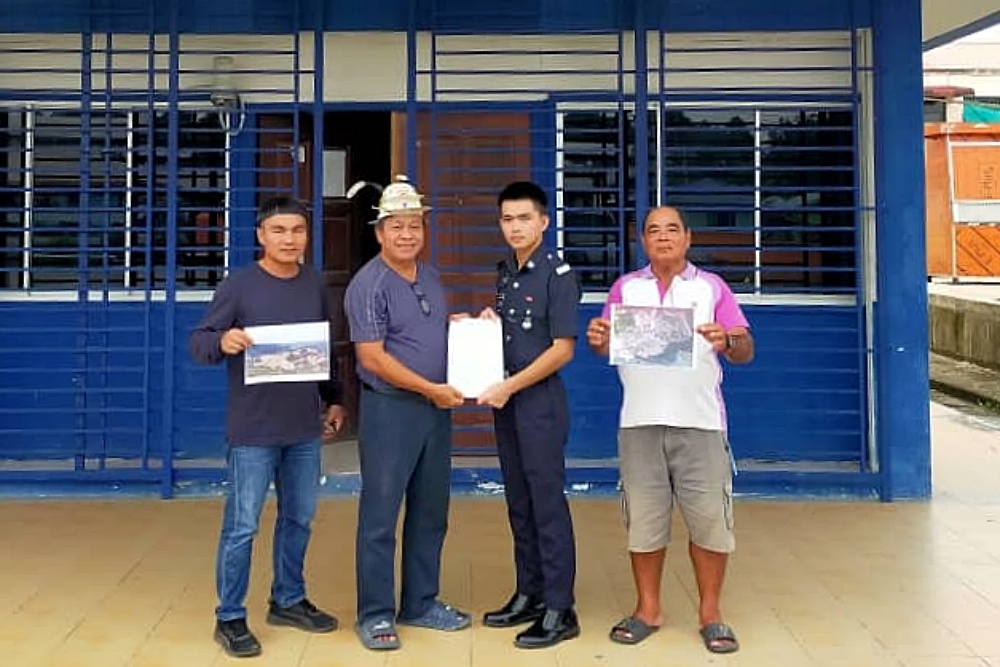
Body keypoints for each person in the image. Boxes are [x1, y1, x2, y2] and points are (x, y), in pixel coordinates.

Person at [586, 206, 754, 654]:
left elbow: (745, 348)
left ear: (688, 238)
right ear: (642, 241)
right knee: (643, 521)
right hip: (639, 423)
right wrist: (600, 341)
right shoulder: (626, 287)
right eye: (653, 231)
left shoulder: (710, 287)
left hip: (700, 423)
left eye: (671, 230)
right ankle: (648, 610)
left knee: (710, 523)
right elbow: (608, 349)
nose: (663, 237)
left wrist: (727, 339)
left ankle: (711, 614)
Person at [190, 197, 346, 659]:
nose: (288, 239)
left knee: (298, 519)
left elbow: (325, 346)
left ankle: (289, 600)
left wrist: (334, 398)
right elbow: (198, 343)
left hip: (303, 426)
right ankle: (231, 616)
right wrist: (223, 339)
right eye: (278, 231)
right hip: (253, 428)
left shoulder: (315, 285)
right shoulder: (238, 286)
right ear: (261, 235)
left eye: (297, 230)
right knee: (242, 526)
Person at [344, 175, 470, 651]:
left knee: (430, 510)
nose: (406, 235)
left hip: (434, 411)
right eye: (396, 226)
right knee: (380, 514)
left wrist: (456, 326)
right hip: (391, 410)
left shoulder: (430, 276)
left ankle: (420, 602)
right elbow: (373, 357)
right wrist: (429, 389)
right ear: (379, 232)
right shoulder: (368, 284)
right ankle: (375, 613)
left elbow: (428, 327)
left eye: (414, 226)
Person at [475, 181, 581, 649]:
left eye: (524, 218)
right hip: (509, 400)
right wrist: (483, 326)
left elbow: (562, 350)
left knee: (546, 503)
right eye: (507, 219)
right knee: (518, 500)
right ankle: (530, 592)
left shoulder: (557, 274)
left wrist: (510, 386)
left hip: (537, 402)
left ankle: (561, 607)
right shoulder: (508, 272)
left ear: (543, 222)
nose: (514, 227)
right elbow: (517, 332)